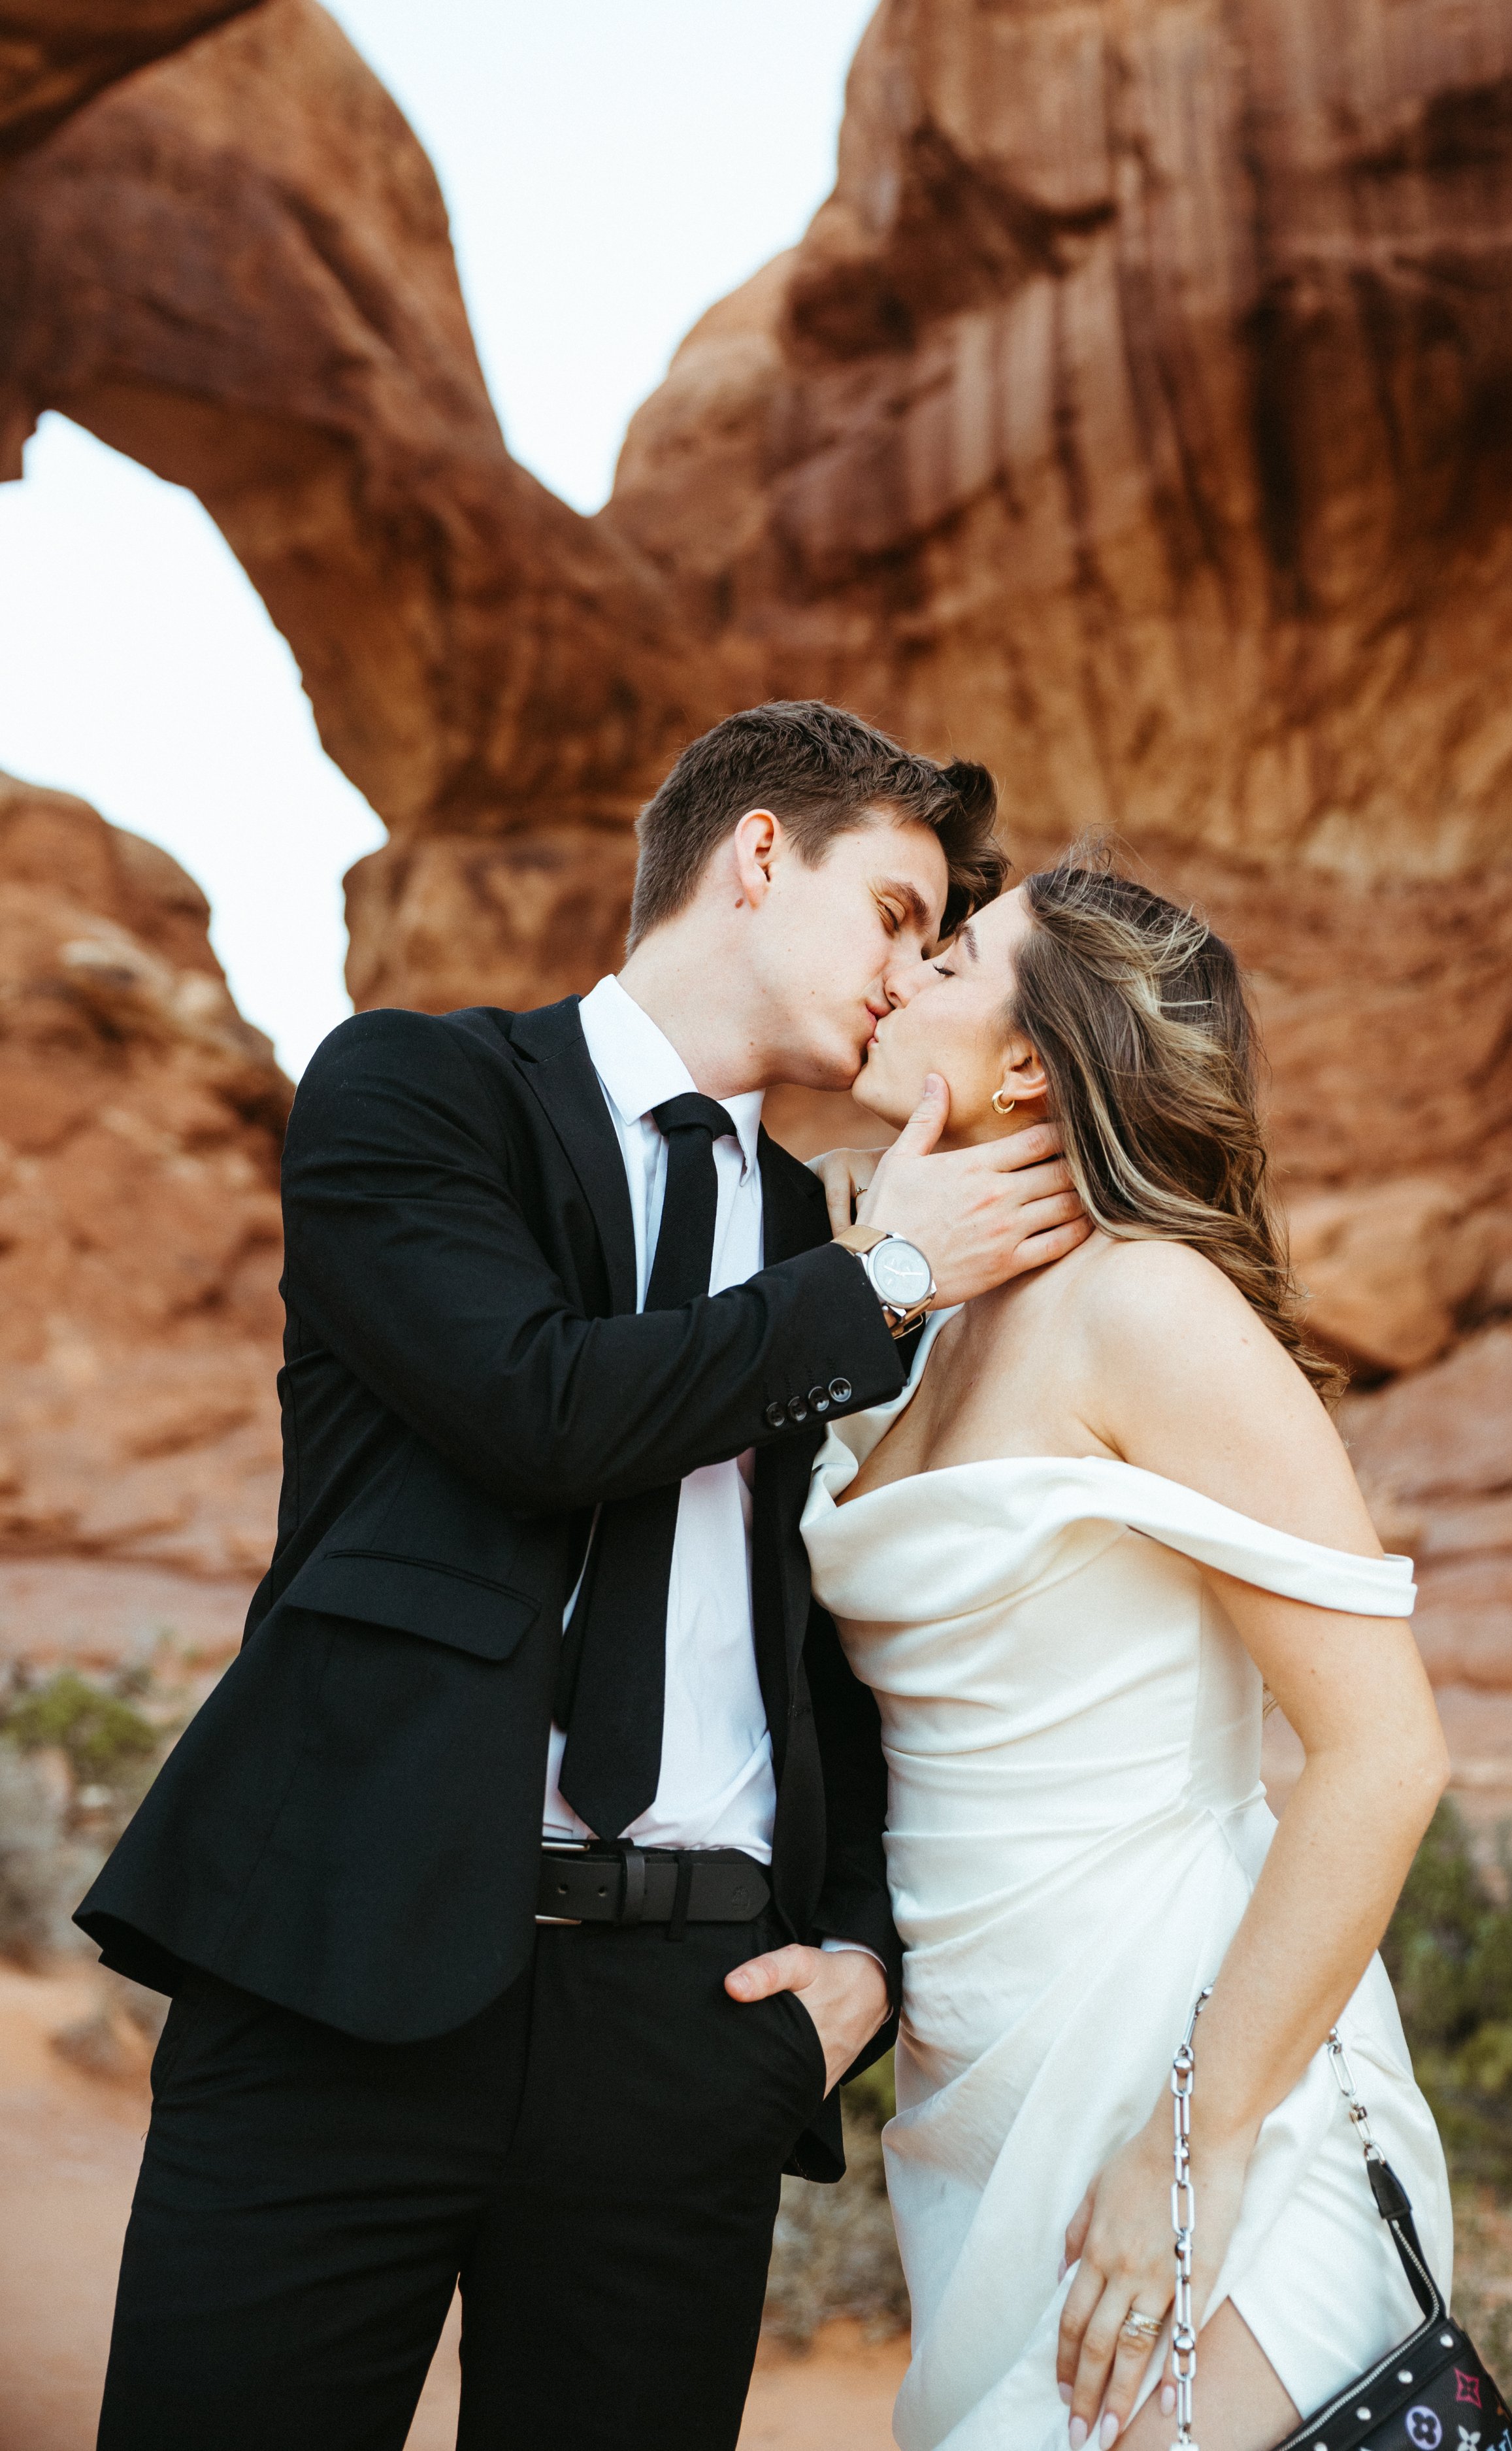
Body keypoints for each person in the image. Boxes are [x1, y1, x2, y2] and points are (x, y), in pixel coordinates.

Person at [75, 701, 1090, 2451]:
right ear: (757, 853)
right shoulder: (414, 1090)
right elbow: (534, 1406)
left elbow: (841, 1619)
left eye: (939, 944)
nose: (906, 969)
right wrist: (888, 1275)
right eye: (893, 913)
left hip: (692, 2026)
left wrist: (856, 1949)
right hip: (342, 1964)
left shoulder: (825, 1240)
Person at [802, 852, 1454, 2451]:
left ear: (1029, 1059)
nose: (901, 976)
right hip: (980, 2090)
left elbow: (1382, 1756)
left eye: (948, 963)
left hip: (1186, 2066)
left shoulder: (1146, 1306)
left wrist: (1195, 2141)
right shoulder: (919, 1327)